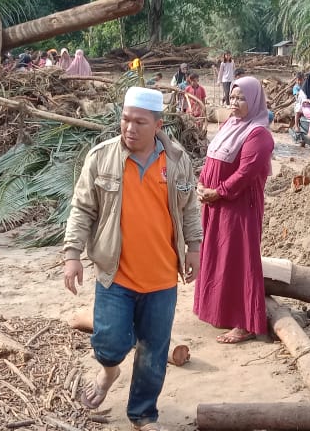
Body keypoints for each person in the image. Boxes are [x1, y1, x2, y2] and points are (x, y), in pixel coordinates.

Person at [63, 86, 202, 431]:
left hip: (161, 278)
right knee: (109, 343)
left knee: (154, 352)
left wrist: (195, 248)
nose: (129, 128)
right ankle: (109, 371)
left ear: (158, 124)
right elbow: (81, 208)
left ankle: (142, 414)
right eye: (125, 119)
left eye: (140, 122)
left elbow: (189, 208)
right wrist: (72, 254)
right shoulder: (101, 158)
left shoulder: (177, 161)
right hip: (116, 274)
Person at [194, 77, 275, 344]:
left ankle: (245, 323)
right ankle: (220, 311)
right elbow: (212, 158)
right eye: (233, 98)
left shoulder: (259, 134)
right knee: (218, 255)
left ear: (253, 101)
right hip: (216, 204)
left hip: (238, 206)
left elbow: (245, 173)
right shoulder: (230, 124)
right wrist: (202, 183)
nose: (235, 103)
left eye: (241, 99)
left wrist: (218, 191)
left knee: (239, 258)